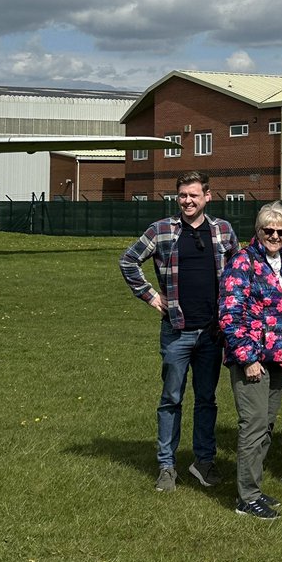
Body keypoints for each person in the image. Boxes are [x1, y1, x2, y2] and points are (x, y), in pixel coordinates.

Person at [119, 171, 239, 492]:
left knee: (206, 399)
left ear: (207, 197)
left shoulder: (223, 232)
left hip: (212, 333)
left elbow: (238, 274)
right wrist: (151, 296)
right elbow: (129, 261)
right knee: (171, 398)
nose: (187, 201)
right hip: (177, 331)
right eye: (183, 195)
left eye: (194, 195)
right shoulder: (161, 231)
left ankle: (203, 462)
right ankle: (166, 466)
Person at [219, 203, 282, 520]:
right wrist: (248, 358)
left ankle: (253, 487)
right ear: (258, 231)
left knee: (265, 426)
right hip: (252, 360)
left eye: (281, 231)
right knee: (252, 427)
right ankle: (246, 498)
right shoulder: (242, 262)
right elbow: (229, 315)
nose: (275, 236)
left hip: (279, 359)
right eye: (269, 230)